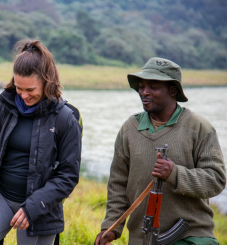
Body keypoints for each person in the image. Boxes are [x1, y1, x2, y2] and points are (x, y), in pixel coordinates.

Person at [0, 39, 82, 244]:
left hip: (40, 208)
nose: (23, 95)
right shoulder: (6, 105)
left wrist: (33, 207)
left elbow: (68, 175)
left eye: (30, 90)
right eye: (19, 88)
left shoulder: (66, 118)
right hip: (0, 195)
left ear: (47, 81)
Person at [95, 57, 226, 245]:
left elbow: (216, 180)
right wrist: (111, 227)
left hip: (192, 238)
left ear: (172, 90)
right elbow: (118, 184)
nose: (144, 92)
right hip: (142, 238)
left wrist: (174, 174)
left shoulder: (199, 127)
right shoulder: (129, 129)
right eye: (141, 86)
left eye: (153, 87)